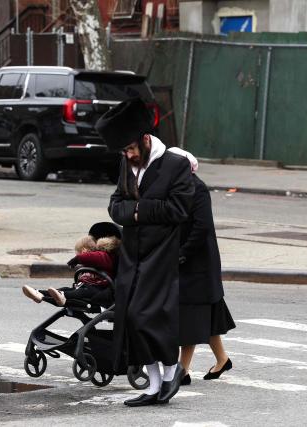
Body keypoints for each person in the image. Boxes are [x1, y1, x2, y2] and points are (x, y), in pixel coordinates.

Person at [96, 97, 194, 406]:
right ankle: (154, 386)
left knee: (148, 316)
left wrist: (137, 210)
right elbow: (115, 204)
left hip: (161, 254)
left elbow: (178, 209)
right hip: (133, 254)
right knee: (130, 318)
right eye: (124, 151)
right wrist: (135, 211)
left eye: (130, 149)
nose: (128, 155)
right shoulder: (127, 163)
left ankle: (171, 370)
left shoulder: (175, 164)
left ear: (145, 139)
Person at [166, 147, 236, 386]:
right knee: (206, 315)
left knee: (191, 317)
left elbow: (202, 226)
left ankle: (182, 371)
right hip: (186, 260)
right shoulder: (176, 188)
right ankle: (222, 359)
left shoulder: (197, 188)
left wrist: (182, 254)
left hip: (198, 262)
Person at [22, 234, 119, 306]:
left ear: (84, 251)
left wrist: (79, 258)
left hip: (97, 290)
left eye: (77, 253)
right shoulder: (91, 264)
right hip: (84, 287)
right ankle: (38, 293)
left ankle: (61, 295)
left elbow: (96, 257)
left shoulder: (106, 257)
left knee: (78, 292)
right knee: (66, 289)